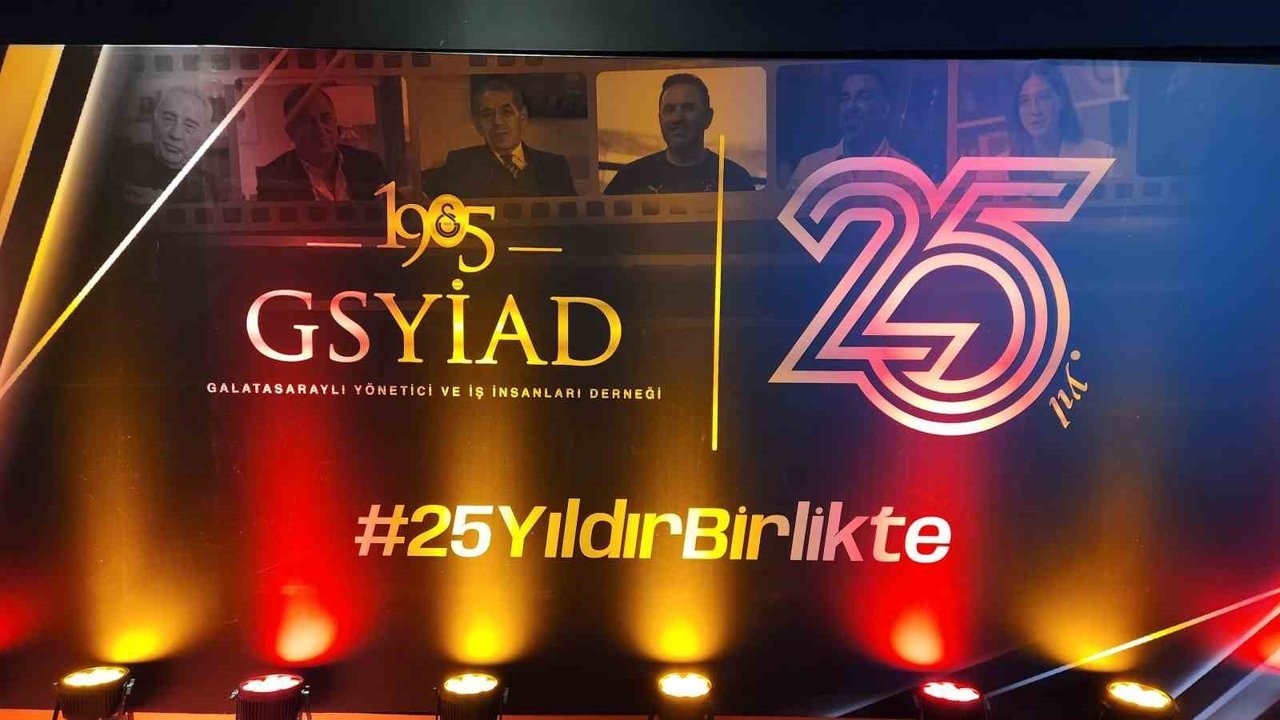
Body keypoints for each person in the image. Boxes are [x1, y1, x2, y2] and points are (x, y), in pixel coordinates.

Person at [604, 73, 755, 194]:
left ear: (708, 117)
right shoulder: (629, 179)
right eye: (669, 109)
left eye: (688, 108)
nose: (677, 118)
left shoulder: (736, 180)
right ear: (660, 119)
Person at [432, 77, 577, 198]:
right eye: (488, 115)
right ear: (478, 125)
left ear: (522, 117)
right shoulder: (460, 165)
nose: (497, 122)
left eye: (506, 112)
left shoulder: (555, 166)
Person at [787, 65, 913, 190]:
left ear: (884, 109)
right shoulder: (809, 167)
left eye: (864, 97)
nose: (850, 107)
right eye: (845, 98)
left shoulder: (907, 176)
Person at [256, 85, 388, 201]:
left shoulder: (370, 164)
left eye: (326, 118)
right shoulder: (273, 179)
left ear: (336, 121)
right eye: (308, 121)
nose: (320, 129)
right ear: (291, 132)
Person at [115, 86, 227, 205]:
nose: (175, 134)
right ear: (154, 123)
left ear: (205, 136)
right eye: (168, 119)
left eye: (189, 126)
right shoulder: (123, 166)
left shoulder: (214, 188)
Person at [1009, 61, 1114, 160]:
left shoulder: (1100, 155)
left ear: (1061, 100)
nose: (1035, 110)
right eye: (1024, 101)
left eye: (1044, 97)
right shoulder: (1004, 165)